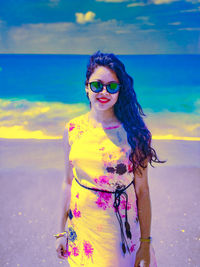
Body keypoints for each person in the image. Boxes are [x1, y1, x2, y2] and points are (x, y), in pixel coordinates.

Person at [55, 50, 166, 267]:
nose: (103, 91)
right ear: (87, 87)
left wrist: (145, 243)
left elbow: (143, 192)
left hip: (117, 234)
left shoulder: (135, 134)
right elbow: (68, 182)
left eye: (112, 86)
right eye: (97, 85)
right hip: (81, 229)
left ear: (119, 91)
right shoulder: (73, 129)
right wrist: (60, 231)